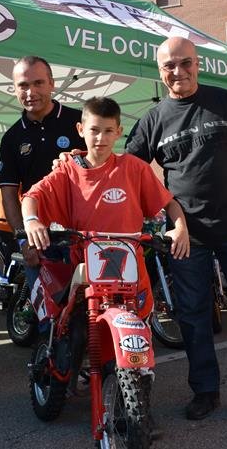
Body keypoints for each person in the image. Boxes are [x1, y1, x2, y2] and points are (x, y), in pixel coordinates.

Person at [125, 37, 227, 423]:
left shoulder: (225, 101)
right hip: (185, 236)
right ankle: (205, 391)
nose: (178, 71)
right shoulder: (153, 119)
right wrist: (82, 158)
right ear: (160, 71)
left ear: (198, 64)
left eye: (185, 63)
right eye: (169, 66)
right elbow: (130, 171)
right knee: (193, 315)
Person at [23, 97, 189, 319]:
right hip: (84, 272)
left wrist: (180, 228)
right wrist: (31, 221)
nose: (101, 138)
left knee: (136, 330)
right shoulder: (68, 169)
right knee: (74, 328)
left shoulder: (135, 168)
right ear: (80, 130)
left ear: (119, 132)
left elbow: (169, 203)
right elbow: (32, 196)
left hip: (130, 271)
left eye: (109, 130)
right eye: (94, 130)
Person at [0, 56, 86, 279]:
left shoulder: (81, 122)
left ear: (52, 84)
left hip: (83, 235)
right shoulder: (11, 138)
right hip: (39, 242)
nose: (30, 92)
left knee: (91, 300)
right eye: (23, 85)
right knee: (46, 303)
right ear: (15, 89)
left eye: (38, 83)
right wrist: (23, 240)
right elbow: (8, 195)